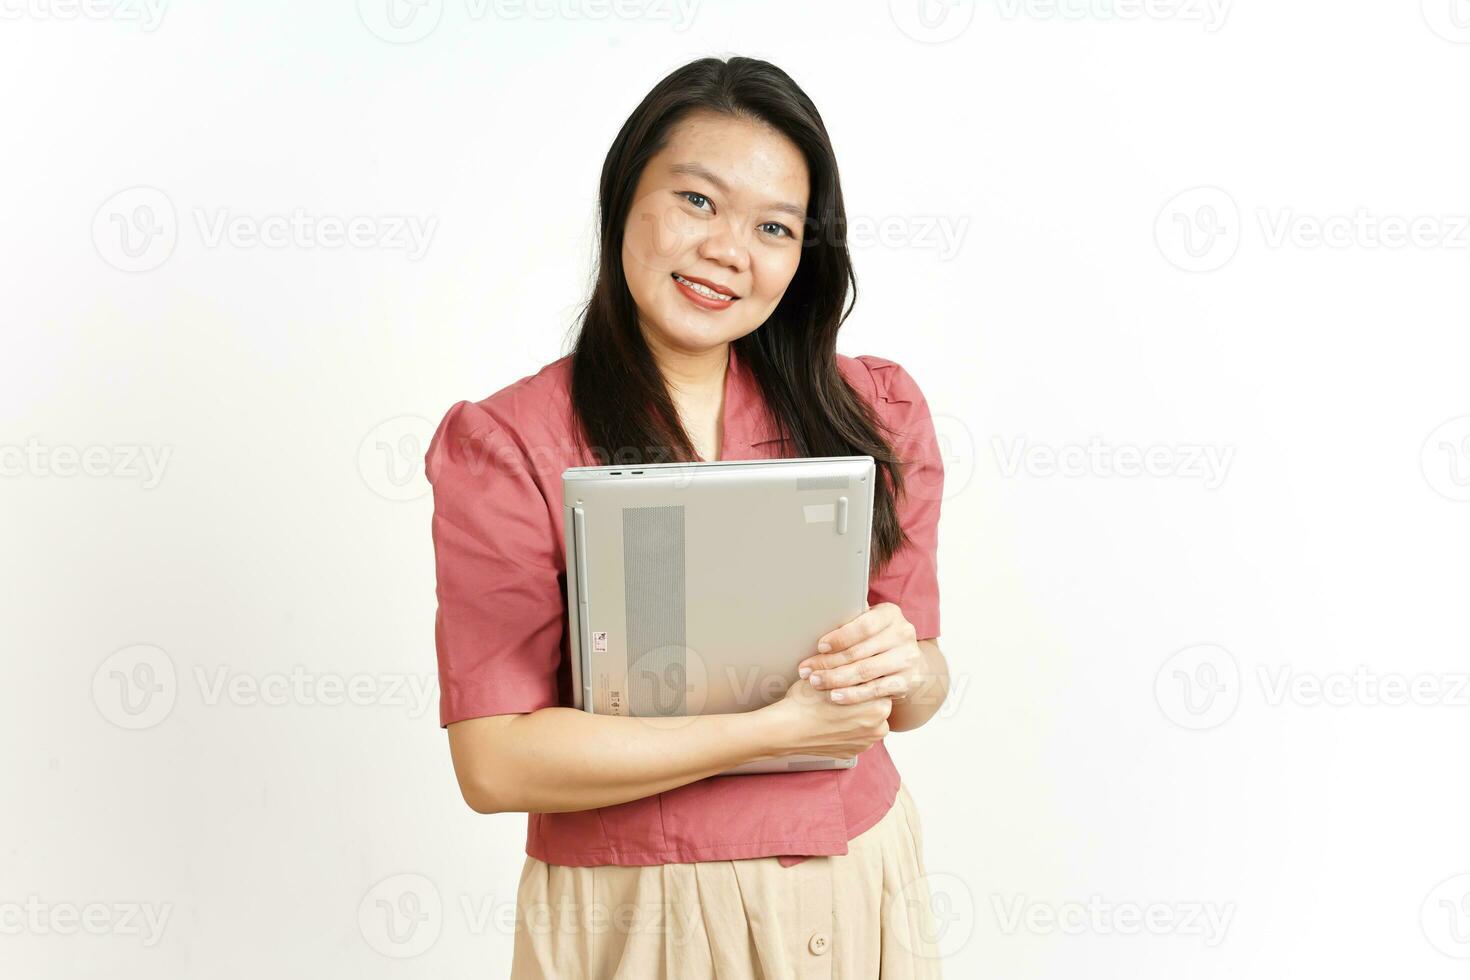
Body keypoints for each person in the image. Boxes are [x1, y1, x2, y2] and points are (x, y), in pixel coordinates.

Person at [426, 55, 951, 978]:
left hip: (851, 880)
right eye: (698, 201)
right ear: (626, 195)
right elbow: (495, 763)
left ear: (804, 255)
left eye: (774, 226)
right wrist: (778, 730)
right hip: (635, 916)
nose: (727, 252)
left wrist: (903, 664)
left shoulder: (870, 412)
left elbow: (917, 696)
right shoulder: (508, 445)